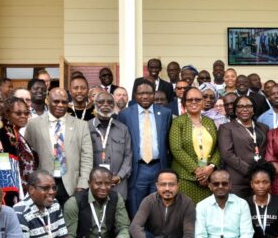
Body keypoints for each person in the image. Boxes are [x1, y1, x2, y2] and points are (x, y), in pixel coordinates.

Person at [25, 87, 93, 206]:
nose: (60, 105)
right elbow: (27, 156)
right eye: (56, 101)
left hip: (71, 185)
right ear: (47, 101)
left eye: (64, 102)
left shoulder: (81, 125)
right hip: (43, 185)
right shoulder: (33, 124)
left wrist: (83, 184)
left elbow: (87, 157)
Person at [118, 81, 171, 218]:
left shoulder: (165, 113)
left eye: (148, 93)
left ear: (154, 94)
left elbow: (167, 142)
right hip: (137, 169)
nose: (145, 96)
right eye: (141, 93)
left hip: (158, 167)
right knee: (137, 209)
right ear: (135, 95)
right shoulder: (125, 114)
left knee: (158, 208)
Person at [170, 87, 221, 203]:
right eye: (190, 100)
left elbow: (217, 148)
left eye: (198, 99)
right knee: (187, 215)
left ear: (203, 102)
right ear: (184, 103)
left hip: (208, 179)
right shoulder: (178, 122)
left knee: (206, 215)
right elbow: (176, 149)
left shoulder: (210, 122)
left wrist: (210, 167)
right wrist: (198, 171)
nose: (194, 102)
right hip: (185, 178)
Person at [217, 96, 268, 198]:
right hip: (238, 180)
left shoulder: (263, 128)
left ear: (253, 109)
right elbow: (227, 155)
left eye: (249, 106)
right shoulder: (226, 128)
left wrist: (261, 172)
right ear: (235, 110)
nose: (245, 109)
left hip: (259, 180)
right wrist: (250, 171)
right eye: (240, 106)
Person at [85, 92, 132, 197]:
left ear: (114, 105)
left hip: (117, 184)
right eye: (101, 102)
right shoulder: (86, 127)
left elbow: (128, 156)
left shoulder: (123, 129)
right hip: (94, 185)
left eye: (110, 102)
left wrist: (119, 176)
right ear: (95, 104)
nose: (105, 105)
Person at [1, 97, 38, 193]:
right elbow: (5, 166)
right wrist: (13, 192)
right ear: (7, 114)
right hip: (15, 190)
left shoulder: (17, 133)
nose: (23, 116)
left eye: (26, 113)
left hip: (27, 189)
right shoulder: (4, 133)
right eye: (18, 113)